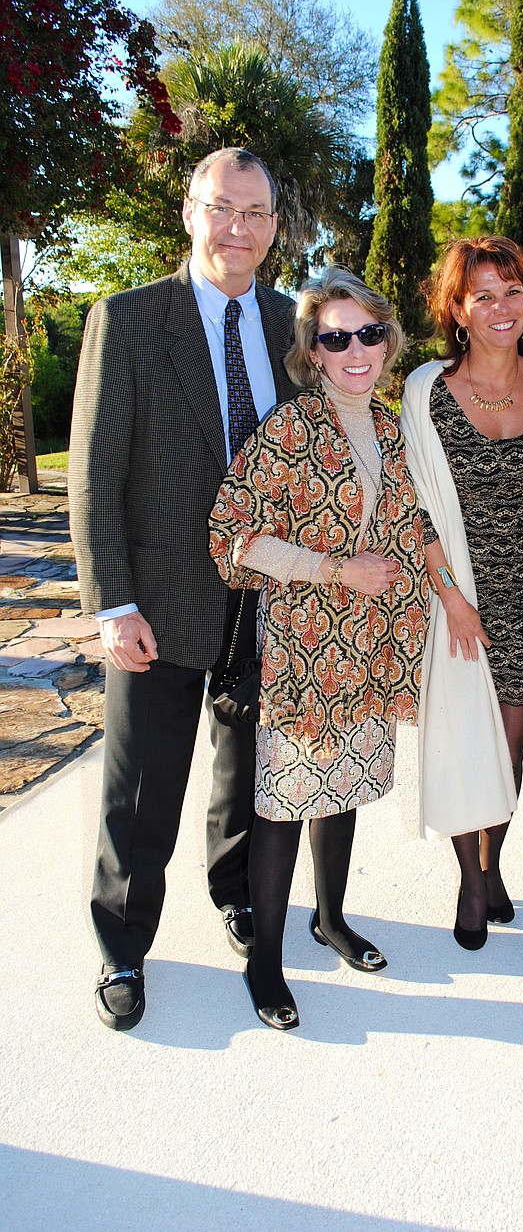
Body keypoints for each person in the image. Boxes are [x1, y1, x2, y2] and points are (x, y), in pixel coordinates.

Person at [69, 147, 297, 1031]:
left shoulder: (293, 322)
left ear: (275, 228)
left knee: (244, 770)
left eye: (257, 213)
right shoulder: (126, 321)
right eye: (223, 208)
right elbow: (92, 471)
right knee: (142, 783)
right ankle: (122, 942)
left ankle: (236, 891)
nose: (238, 228)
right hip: (157, 598)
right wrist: (112, 603)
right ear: (190, 213)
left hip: (265, 593)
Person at [209, 266, 427, 1030]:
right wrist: (333, 568)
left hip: (366, 651)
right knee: (282, 806)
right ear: (314, 351)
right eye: (336, 337)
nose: (355, 349)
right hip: (303, 653)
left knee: (343, 791)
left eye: (368, 332)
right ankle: (264, 960)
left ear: (387, 339)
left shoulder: (395, 428)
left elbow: (410, 532)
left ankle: (331, 918)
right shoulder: (291, 429)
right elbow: (229, 533)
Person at [401, 237, 523, 950]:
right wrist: (450, 596)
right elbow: (416, 505)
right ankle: (471, 878)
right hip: (458, 592)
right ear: (457, 310)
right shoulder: (427, 387)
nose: (501, 306)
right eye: (482, 294)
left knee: (511, 744)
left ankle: (494, 860)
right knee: (468, 741)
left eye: (512, 290)